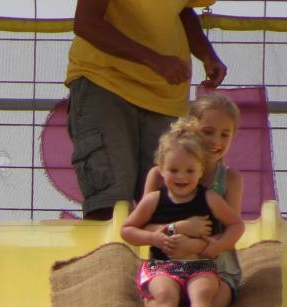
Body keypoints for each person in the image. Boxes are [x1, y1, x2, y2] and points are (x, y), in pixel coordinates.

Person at [66, 0, 226, 220]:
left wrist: (207, 54)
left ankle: (157, 254)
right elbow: (87, 23)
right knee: (110, 204)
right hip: (105, 81)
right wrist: (154, 60)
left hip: (164, 95)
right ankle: (110, 255)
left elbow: (181, 10)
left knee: (170, 206)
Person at [120, 120, 245, 307]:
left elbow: (236, 223)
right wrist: (156, 236)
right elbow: (128, 229)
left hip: (199, 266)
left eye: (189, 170)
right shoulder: (154, 199)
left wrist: (213, 246)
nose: (181, 177)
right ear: (161, 170)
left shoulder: (209, 198)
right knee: (164, 296)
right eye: (174, 170)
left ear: (201, 171)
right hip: (163, 268)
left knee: (203, 293)